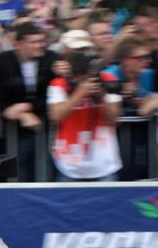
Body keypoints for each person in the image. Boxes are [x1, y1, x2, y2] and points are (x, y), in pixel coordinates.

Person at [0, 22, 57, 181]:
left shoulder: (52, 59)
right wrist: (20, 115)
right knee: (18, 174)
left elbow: (54, 95)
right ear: (18, 44)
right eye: (34, 42)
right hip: (13, 131)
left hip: (44, 127)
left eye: (42, 41)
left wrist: (26, 107)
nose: (40, 45)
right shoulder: (2, 62)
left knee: (44, 172)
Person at [47, 51, 122, 182]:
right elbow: (56, 115)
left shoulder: (108, 80)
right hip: (68, 165)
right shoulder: (58, 84)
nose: (77, 81)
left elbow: (114, 119)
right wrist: (80, 93)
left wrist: (101, 96)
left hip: (104, 165)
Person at [104, 37, 158, 180]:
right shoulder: (110, 74)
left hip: (142, 137)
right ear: (126, 60)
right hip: (112, 140)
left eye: (149, 56)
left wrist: (134, 100)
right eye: (142, 57)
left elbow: (146, 108)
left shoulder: (149, 75)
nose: (148, 61)